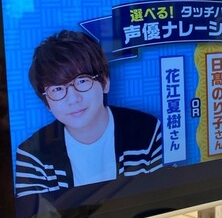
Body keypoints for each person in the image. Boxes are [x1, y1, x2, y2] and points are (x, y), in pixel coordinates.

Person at [15, 30, 163, 199]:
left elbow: (159, 199)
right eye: (57, 89)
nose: (73, 99)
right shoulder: (32, 154)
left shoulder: (147, 130)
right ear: (47, 103)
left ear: (105, 82)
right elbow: (37, 215)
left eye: (82, 81)